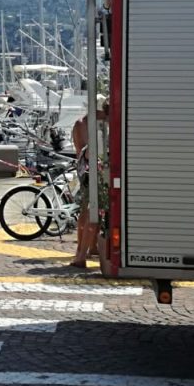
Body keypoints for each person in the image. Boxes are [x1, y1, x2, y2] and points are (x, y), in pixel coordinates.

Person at [69, 95, 108, 269]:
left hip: (91, 171)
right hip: (90, 172)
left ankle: (89, 248)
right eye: (103, 112)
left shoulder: (85, 123)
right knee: (91, 213)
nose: (105, 116)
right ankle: (81, 253)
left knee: (90, 212)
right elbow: (85, 151)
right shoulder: (84, 124)